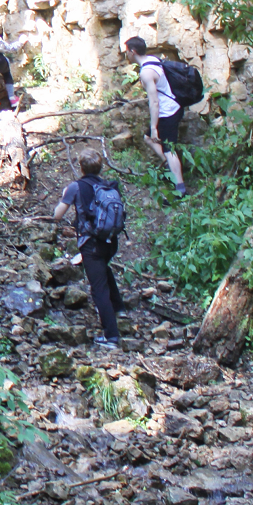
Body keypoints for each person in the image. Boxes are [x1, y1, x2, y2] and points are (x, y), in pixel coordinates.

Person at [52, 149, 128, 350]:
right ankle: (119, 309)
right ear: (100, 167)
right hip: (110, 241)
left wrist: (64, 197)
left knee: (98, 288)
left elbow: (57, 215)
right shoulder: (108, 186)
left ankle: (111, 336)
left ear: (81, 167)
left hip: (91, 243)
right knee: (105, 269)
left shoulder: (76, 187)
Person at [125, 36, 188, 197]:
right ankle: (170, 167)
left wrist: (154, 128)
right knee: (148, 138)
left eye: (127, 51)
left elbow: (154, 103)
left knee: (169, 149)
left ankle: (180, 187)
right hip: (175, 105)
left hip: (167, 112)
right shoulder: (153, 60)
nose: (126, 54)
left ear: (133, 52)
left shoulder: (146, 72)